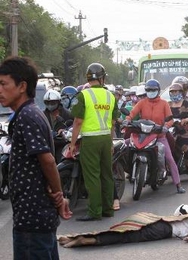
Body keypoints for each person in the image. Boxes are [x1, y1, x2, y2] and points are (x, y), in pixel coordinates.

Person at [0, 56, 72, 259]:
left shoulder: (27, 116)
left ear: (22, 86)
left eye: (3, 84)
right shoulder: (32, 113)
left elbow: (47, 160)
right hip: (37, 217)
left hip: (32, 219)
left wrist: (59, 195)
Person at [70, 63, 119, 221]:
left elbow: (78, 121)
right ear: (102, 78)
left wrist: (72, 144)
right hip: (105, 139)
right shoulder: (110, 96)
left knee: (92, 176)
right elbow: (113, 122)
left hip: (90, 140)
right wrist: (111, 142)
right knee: (107, 175)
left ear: (88, 78)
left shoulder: (83, 95)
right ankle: (108, 209)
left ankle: (94, 211)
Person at [58, 204, 188, 248]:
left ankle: (76, 237)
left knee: (122, 228)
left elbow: (179, 212)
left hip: (158, 220)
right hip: (164, 230)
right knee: (125, 236)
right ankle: (87, 240)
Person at [126, 79, 186, 194]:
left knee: (169, 159)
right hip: (142, 135)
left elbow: (170, 120)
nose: (151, 92)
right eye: (148, 90)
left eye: (153, 90)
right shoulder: (142, 102)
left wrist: (166, 127)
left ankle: (178, 184)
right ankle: (128, 171)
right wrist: (127, 120)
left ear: (158, 91)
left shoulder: (164, 103)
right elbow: (132, 114)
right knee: (125, 145)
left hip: (159, 136)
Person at [168, 83, 188, 184]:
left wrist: (186, 119)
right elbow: (164, 117)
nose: (174, 93)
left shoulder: (186, 104)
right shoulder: (168, 104)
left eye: (176, 91)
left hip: (184, 131)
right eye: (172, 92)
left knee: (187, 151)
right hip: (170, 131)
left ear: (181, 92)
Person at [43, 89, 68, 163]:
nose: (50, 105)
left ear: (58, 102)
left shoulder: (67, 114)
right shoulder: (43, 115)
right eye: (48, 103)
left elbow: (73, 126)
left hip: (63, 145)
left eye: (53, 102)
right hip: (47, 145)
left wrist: (64, 131)